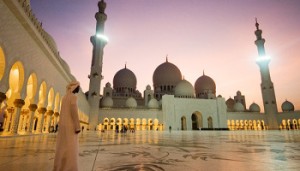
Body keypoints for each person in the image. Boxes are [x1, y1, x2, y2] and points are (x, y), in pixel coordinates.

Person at [53, 81, 81, 171]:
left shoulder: (64, 97)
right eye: (78, 87)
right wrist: (77, 126)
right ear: (74, 87)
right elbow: (74, 112)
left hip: (63, 125)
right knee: (71, 147)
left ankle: (60, 167)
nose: (79, 89)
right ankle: (70, 168)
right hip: (71, 126)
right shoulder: (73, 97)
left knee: (62, 147)